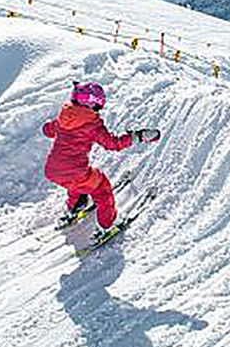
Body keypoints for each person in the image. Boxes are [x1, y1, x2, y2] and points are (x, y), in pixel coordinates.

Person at [42, 81, 160, 237]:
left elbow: (48, 131)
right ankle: (107, 225)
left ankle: (75, 207)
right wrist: (138, 136)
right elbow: (113, 144)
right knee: (102, 188)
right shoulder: (92, 124)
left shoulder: (63, 117)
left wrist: (51, 126)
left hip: (52, 170)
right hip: (76, 171)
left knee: (75, 183)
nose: (98, 111)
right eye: (98, 107)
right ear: (90, 105)